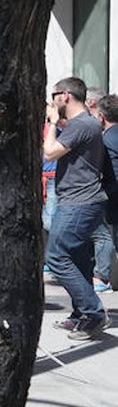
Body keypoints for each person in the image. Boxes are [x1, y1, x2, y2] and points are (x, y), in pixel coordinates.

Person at [45, 77, 110, 340]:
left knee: (57, 257)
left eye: (54, 96)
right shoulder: (84, 124)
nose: (52, 102)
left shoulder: (83, 124)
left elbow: (50, 152)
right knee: (78, 260)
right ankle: (80, 314)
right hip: (81, 201)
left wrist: (52, 123)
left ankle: (94, 313)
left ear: (66, 96)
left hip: (78, 203)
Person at [86, 86, 112, 293]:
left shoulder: (106, 137)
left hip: (106, 192)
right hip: (106, 191)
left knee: (102, 234)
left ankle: (101, 277)